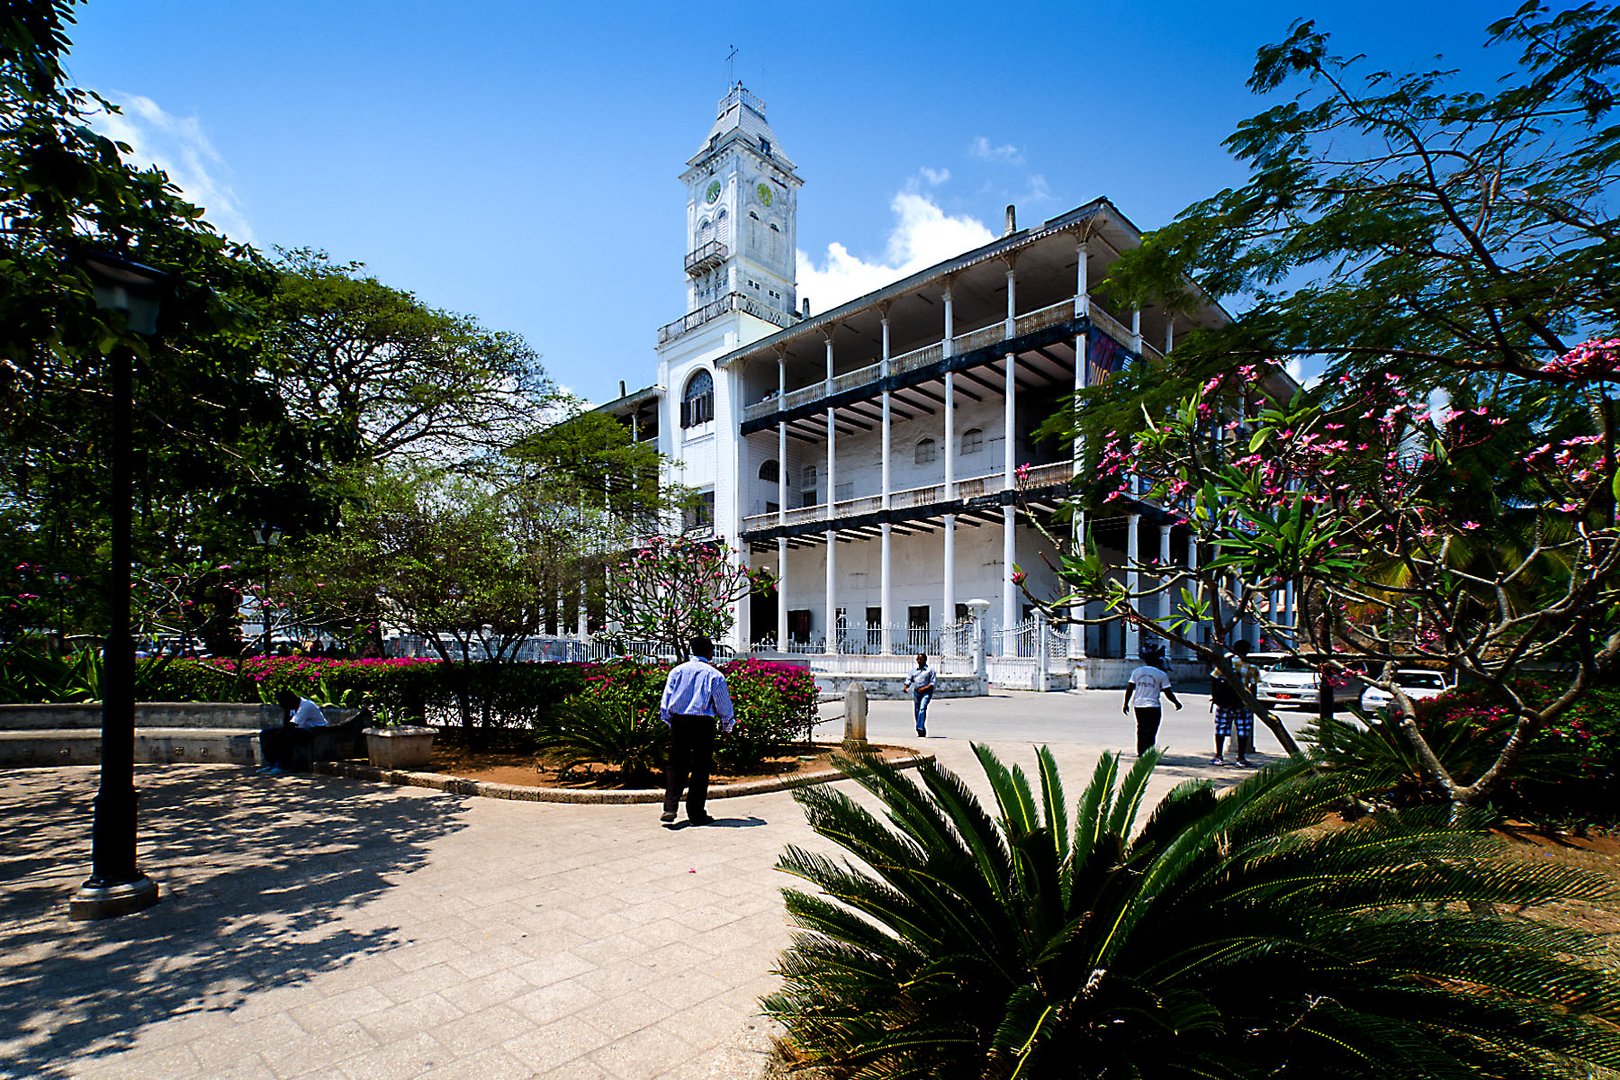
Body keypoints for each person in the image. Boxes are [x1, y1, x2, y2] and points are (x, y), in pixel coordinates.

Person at [659, 636, 734, 826]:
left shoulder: (677, 671)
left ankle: (670, 807)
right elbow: (723, 705)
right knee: (701, 768)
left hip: (680, 721)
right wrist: (727, 726)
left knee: (676, 765)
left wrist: (671, 722)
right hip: (703, 723)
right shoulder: (714, 675)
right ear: (710, 652)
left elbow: (666, 702)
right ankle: (696, 813)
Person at [1122, 645, 1182, 754]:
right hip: (1153, 705)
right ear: (1158, 661)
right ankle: (1149, 751)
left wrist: (1126, 703)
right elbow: (1167, 692)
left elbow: (1130, 688)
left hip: (1138, 704)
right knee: (1152, 730)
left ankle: (1140, 751)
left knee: (1141, 728)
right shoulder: (1161, 674)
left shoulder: (1137, 671)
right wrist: (1176, 703)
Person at [258, 689, 328, 776]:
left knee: (286, 736)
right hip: (301, 728)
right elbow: (286, 723)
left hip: (316, 731)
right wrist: (286, 711)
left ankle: (283, 766)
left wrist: (275, 737)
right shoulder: (291, 706)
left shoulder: (306, 705)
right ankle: (272, 763)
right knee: (265, 733)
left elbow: (291, 725)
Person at [1210, 640, 1258, 767]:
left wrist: (1216, 697)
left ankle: (1219, 756)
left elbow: (1214, 679)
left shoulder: (1225, 664)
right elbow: (1253, 686)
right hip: (1243, 703)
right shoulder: (1251, 666)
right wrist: (1253, 703)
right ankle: (1240, 758)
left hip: (1224, 702)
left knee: (1220, 728)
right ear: (1248, 650)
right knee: (1242, 730)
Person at [902, 653, 937, 737]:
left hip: (926, 692)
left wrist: (924, 689)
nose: (919, 661)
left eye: (921, 659)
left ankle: (920, 727)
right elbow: (909, 679)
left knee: (922, 708)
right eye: (918, 659)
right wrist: (906, 687)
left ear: (925, 660)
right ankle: (921, 729)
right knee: (917, 711)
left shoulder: (930, 670)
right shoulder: (914, 670)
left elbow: (932, 683)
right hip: (917, 692)